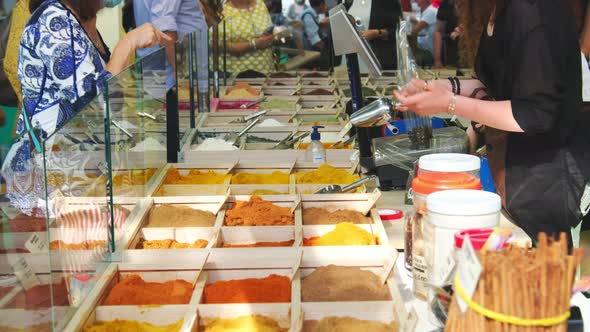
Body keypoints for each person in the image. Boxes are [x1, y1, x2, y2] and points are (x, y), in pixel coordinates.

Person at [394, 0, 590, 244]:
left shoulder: (531, 11)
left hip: (546, 185)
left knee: (541, 275)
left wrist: (450, 103)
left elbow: (533, 114)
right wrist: (443, 87)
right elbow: (496, 86)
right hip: (514, 176)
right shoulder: (497, 9)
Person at [1, 0, 169, 215]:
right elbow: (92, 100)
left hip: (79, 175)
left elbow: (110, 90)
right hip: (54, 182)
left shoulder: (76, 20)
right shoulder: (53, 19)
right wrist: (128, 43)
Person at [134, 0, 208, 90]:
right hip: (171, 75)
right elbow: (165, 26)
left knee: (153, 101)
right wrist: (178, 71)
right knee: (162, 102)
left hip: (153, 63)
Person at [221, 0, 275, 74]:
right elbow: (216, 45)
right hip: (234, 76)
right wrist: (253, 45)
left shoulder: (260, 4)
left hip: (265, 73)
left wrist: (268, 37)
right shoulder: (222, 9)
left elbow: (267, 29)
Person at [362, 0, 402, 70]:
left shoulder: (389, 2)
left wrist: (377, 33)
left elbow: (398, 30)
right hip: (353, 58)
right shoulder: (349, 2)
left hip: (381, 57)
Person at [433, 0, 460, 68]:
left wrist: (464, 30)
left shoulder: (474, 4)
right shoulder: (446, 4)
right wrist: (437, 60)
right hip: (451, 52)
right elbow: (438, 31)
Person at [410, 0, 438, 66]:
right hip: (425, 45)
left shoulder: (431, 11)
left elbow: (414, 30)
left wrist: (413, 22)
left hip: (428, 49)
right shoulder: (427, 11)